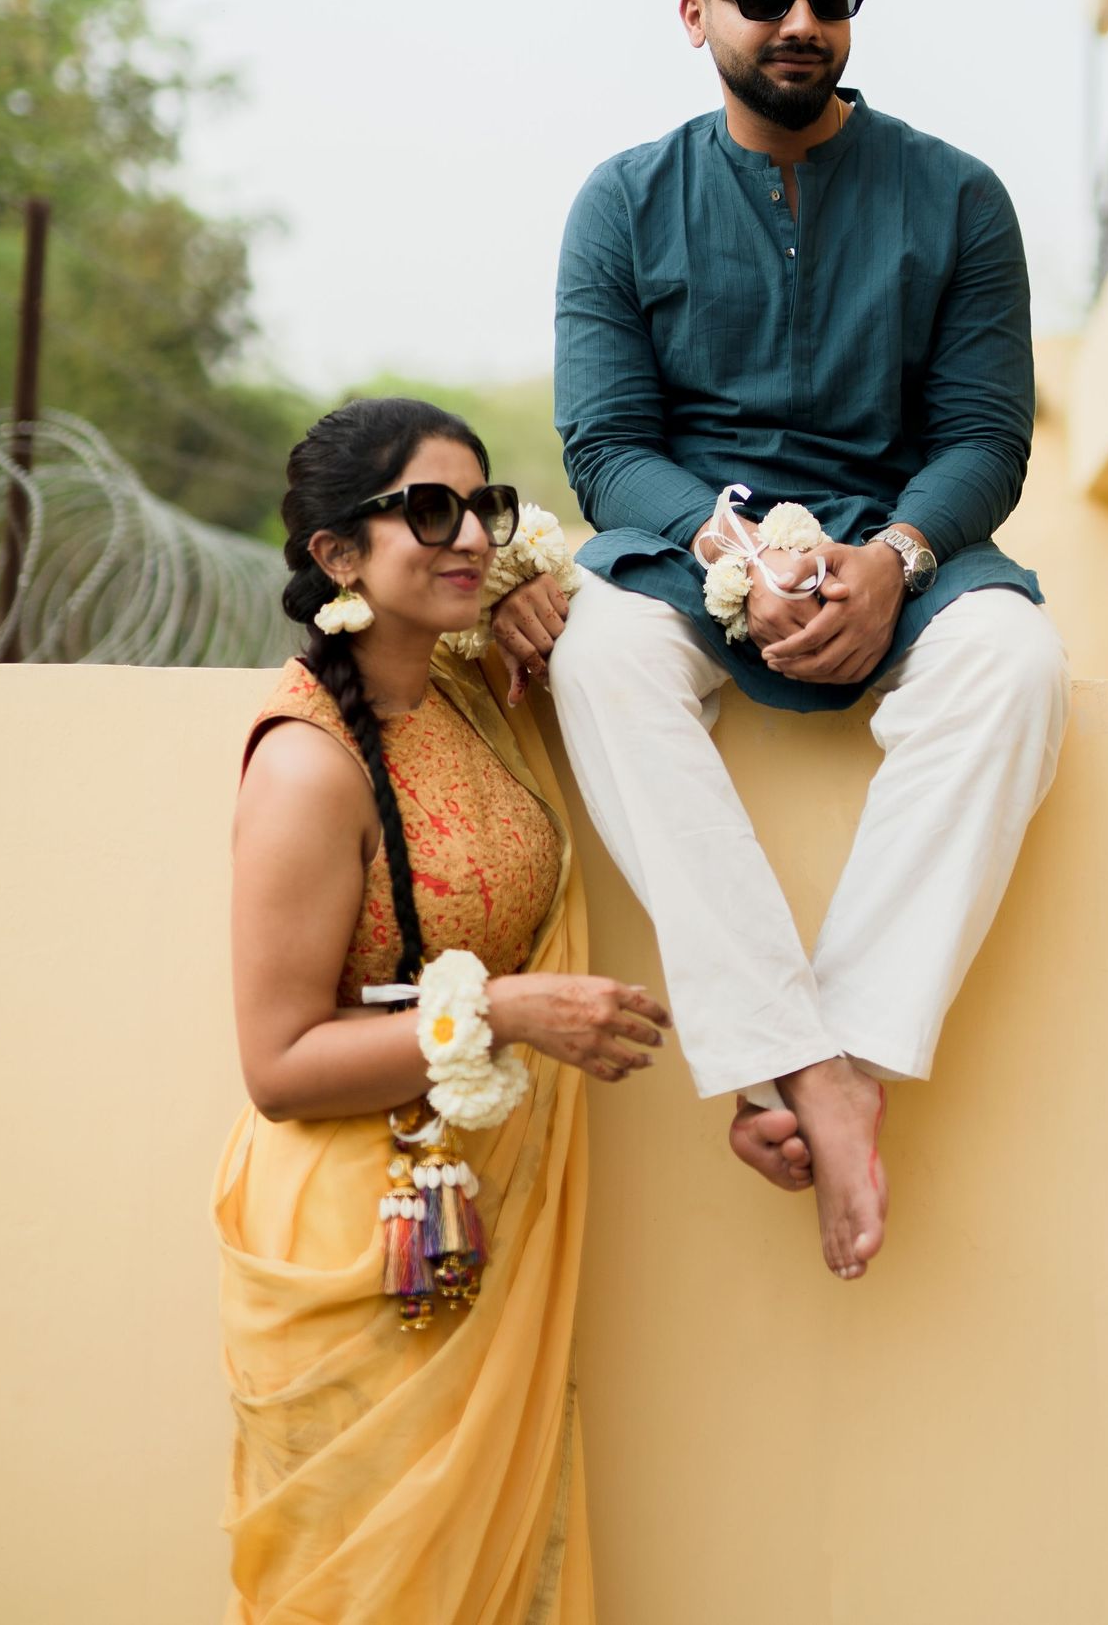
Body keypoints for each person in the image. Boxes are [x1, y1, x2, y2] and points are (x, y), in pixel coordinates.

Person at [549, 0, 1069, 1285]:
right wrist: (737, 553)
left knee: (1014, 661)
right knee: (598, 657)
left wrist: (895, 557)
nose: (801, 20)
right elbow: (607, 445)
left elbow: (985, 436)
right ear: (694, 10)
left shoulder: (956, 196)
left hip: (899, 540)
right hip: (696, 550)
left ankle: (847, 1052)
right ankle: (798, 1058)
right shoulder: (626, 200)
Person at [214, 397, 666, 1625]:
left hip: (477, 1208)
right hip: (356, 1239)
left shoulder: (468, 686)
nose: (467, 533)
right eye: (427, 508)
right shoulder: (309, 764)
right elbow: (277, 1062)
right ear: (337, 554)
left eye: (483, 505)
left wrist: (529, 588)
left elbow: (561, 581)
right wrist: (502, 1009)